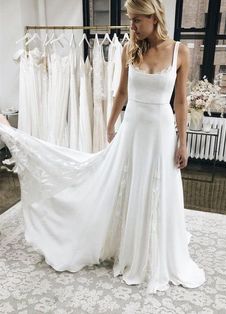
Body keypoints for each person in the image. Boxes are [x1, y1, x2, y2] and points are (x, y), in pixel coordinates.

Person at [0, 0, 206, 294]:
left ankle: (152, 247)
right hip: (132, 128)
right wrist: (110, 125)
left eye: (136, 20)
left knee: (156, 187)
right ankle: (124, 241)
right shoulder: (128, 49)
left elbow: (181, 101)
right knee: (124, 183)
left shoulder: (179, 52)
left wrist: (183, 142)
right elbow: (121, 92)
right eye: (129, 20)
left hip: (161, 131)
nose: (131, 27)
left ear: (153, 18)